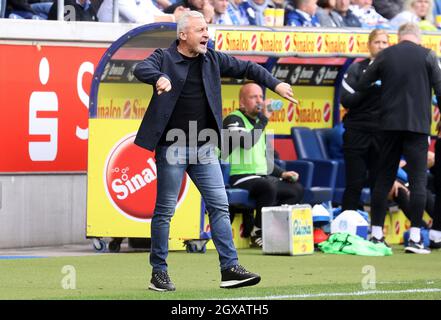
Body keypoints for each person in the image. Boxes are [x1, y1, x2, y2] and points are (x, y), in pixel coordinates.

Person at [133, 11, 297, 291]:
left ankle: (229, 268)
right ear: (183, 35)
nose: (206, 34)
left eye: (207, 29)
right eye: (200, 30)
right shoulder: (163, 57)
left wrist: (276, 83)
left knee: (220, 206)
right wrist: (159, 77)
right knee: (165, 212)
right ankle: (158, 272)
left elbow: (249, 68)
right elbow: (140, 69)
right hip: (172, 148)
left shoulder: (213, 59)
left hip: (205, 147)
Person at [354, 23, 441, 254]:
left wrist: (384, 86)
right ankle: (415, 238)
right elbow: (440, 91)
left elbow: (362, 84)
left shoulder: (385, 55)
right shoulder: (429, 55)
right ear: (418, 38)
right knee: (419, 182)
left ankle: (376, 235)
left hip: (388, 126)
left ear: (399, 38)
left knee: (383, 179)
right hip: (418, 127)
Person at [222, 83, 304, 247]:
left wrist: (282, 174)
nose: (259, 100)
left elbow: (265, 161)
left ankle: (276, 230)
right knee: (267, 186)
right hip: (237, 177)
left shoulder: (260, 123)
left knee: (295, 189)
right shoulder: (234, 119)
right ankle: (257, 231)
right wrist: (264, 119)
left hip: (260, 178)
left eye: (261, 96)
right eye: (253, 97)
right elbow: (246, 143)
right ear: (242, 102)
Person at [339, 29, 389, 215]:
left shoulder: (393, 71)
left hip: (383, 135)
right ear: (369, 45)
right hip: (357, 132)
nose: (381, 46)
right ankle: (346, 231)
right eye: (377, 42)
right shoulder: (356, 69)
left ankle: (377, 231)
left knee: (379, 185)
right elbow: (346, 100)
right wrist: (368, 86)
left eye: (384, 42)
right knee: (354, 183)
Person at [97, 0, 186, 23]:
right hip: (104, 44)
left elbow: (156, 14)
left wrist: (179, 14)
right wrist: (173, 17)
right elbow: (139, 20)